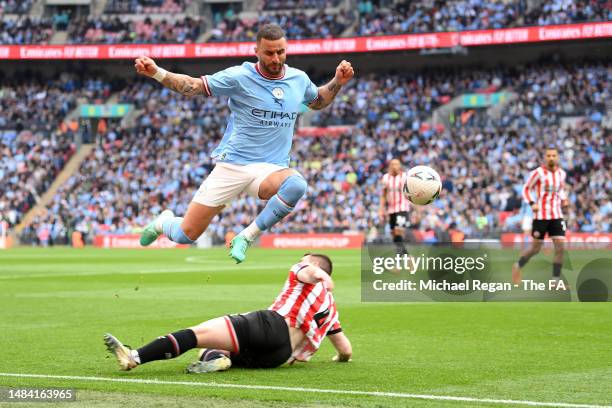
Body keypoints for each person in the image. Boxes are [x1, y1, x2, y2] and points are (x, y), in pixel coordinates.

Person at [134, 24, 354, 263]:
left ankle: (246, 237)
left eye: (280, 51)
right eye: (269, 53)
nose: (276, 58)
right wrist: (157, 72)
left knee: (296, 184)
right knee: (186, 234)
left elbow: (318, 101)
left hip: (271, 168)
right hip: (233, 166)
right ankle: (162, 222)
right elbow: (193, 86)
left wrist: (338, 81)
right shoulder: (240, 76)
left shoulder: (298, 79)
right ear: (256, 51)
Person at [104, 254, 352, 372]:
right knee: (215, 350)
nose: (301, 260)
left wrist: (322, 277)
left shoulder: (307, 271)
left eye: (306, 259)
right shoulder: (331, 310)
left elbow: (313, 273)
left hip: (271, 325)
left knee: (196, 334)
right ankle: (221, 360)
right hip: (279, 357)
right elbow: (345, 349)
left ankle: (134, 357)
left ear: (315, 264)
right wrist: (339, 359)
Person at [512, 147, 569, 284]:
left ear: (557, 157)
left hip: (556, 215)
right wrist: (532, 203)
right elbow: (526, 189)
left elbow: (560, 190)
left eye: (554, 155)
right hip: (541, 216)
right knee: (535, 248)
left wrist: (564, 199)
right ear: (545, 157)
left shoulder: (561, 174)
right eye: (548, 155)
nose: (551, 158)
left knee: (560, 247)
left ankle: (555, 282)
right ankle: (517, 265)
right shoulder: (538, 173)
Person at [378, 159, 410, 255]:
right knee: (394, 235)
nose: (394, 166)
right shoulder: (386, 178)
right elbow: (383, 195)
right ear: (389, 166)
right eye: (392, 164)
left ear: (400, 166)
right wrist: (381, 209)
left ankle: (401, 258)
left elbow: (411, 192)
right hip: (391, 209)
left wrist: (418, 210)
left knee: (398, 231)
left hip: (402, 208)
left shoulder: (404, 177)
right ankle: (405, 256)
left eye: (396, 164)